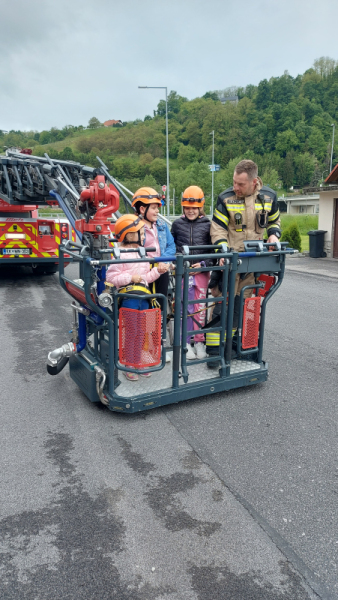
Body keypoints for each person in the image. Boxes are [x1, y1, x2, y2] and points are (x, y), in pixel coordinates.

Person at [207, 159, 281, 366]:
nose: (235, 187)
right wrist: (222, 248)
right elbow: (218, 228)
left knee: (244, 306)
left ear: (254, 181)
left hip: (252, 265)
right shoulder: (225, 198)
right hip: (230, 263)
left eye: (240, 184)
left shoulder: (269, 197)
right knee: (223, 305)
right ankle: (214, 352)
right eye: (234, 182)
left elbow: (275, 221)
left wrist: (274, 236)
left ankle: (235, 348)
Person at [106, 214, 169, 381]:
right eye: (141, 232)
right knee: (132, 333)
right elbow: (111, 278)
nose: (143, 236)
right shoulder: (120, 254)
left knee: (142, 333)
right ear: (129, 233)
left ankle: (139, 362)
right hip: (129, 299)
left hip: (144, 298)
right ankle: (129, 364)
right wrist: (129, 278)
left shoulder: (143, 254)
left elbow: (147, 278)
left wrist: (158, 271)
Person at [171, 185, 212, 360]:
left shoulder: (208, 225)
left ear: (200, 206)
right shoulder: (177, 224)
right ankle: (186, 341)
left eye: (194, 208)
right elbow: (172, 248)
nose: (190, 211)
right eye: (187, 208)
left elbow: (213, 251)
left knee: (200, 306)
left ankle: (200, 341)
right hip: (184, 272)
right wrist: (178, 263)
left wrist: (203, 264)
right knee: (184, 306)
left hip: (201, 272)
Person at [131, 187, 176, 298]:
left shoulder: (161, 225)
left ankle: (160, 315)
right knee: (145, 300)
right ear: (142, 209)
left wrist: (163, 260)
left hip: (161, 269)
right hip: (143, 272)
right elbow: (131, 249)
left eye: (157, 208)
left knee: (161, 299)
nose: (157, 211)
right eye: (154, 208)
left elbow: (171, 245)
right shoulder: (133, 227)